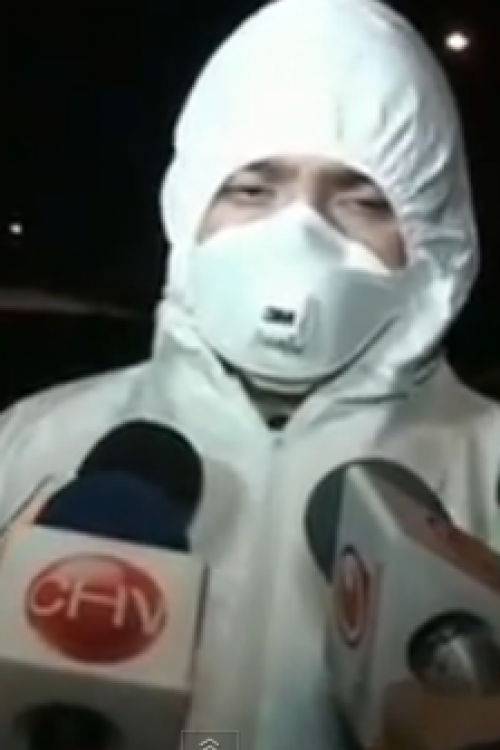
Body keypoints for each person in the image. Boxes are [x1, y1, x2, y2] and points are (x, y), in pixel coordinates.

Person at [1, 0, 499, 746]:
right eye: (251, 190)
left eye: (362, 200)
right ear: (188, 210)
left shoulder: (489, 469)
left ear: (433, 239)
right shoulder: (31, 443)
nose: (298, 235)